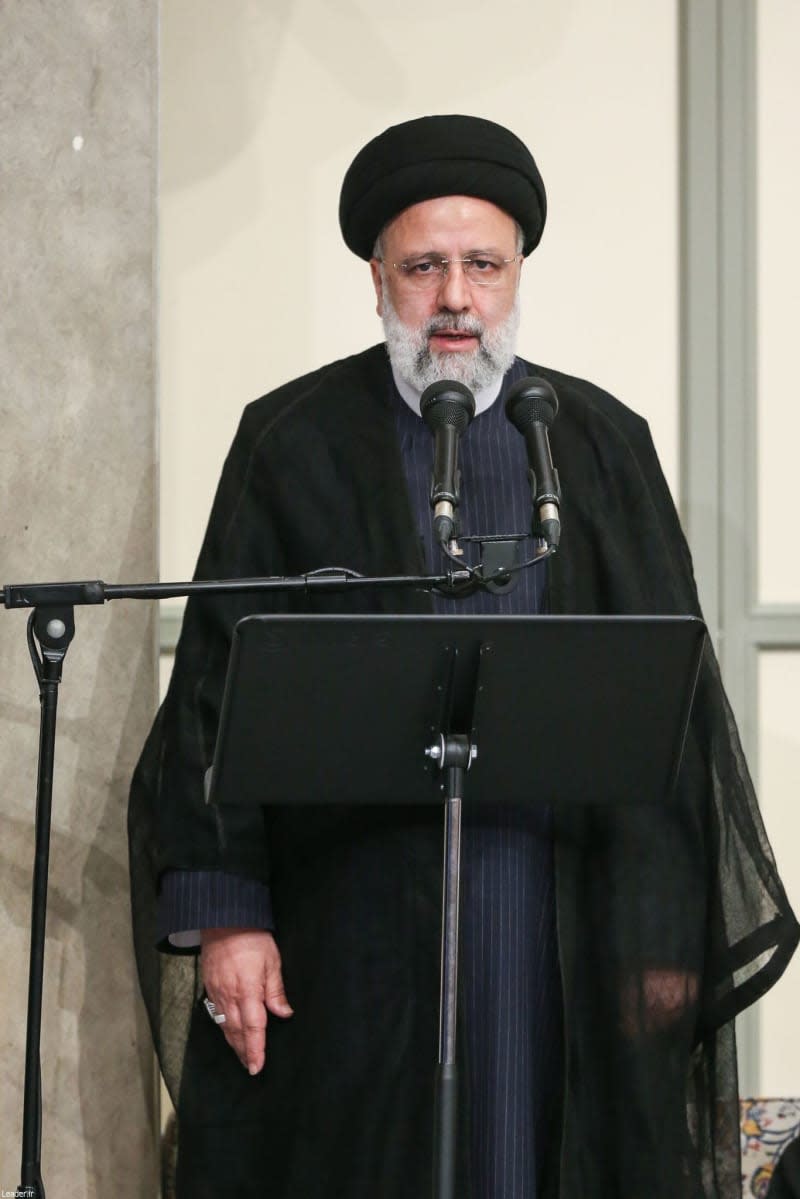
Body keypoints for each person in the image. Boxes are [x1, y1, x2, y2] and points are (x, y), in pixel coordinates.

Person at [128, 115, 799, 1199]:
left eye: (481, 265)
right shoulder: (292, 439)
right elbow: (215, 690)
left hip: (556, 920)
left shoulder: (597, 441)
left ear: (515, 271)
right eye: (423, 266)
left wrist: (665, 930)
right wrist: (228, 916)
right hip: (346, 922)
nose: (454, 297)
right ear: (378, 279)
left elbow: (671, 707)